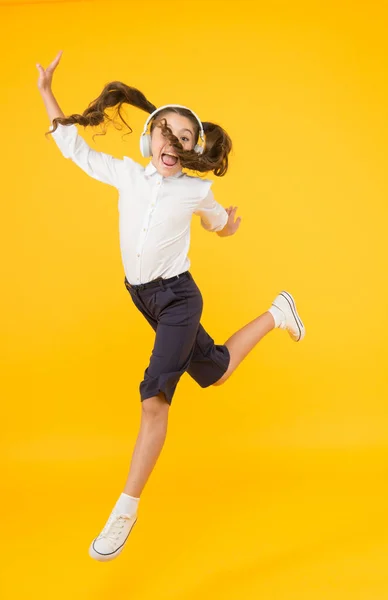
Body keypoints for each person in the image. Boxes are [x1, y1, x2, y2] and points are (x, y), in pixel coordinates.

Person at [37, 51, 306, 563]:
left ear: (192, 150)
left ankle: (124, 509)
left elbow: (216, 224)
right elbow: (72, 147)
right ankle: (278, 312)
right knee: (218, 371)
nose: (175, 143)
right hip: (146, 300)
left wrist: (229, 222)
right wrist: (47, 92)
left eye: (186, 138)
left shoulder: (196, 190)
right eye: (168, 132)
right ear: (151, 137)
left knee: (154, 398)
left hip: (179, 297)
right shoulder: (126, 176)